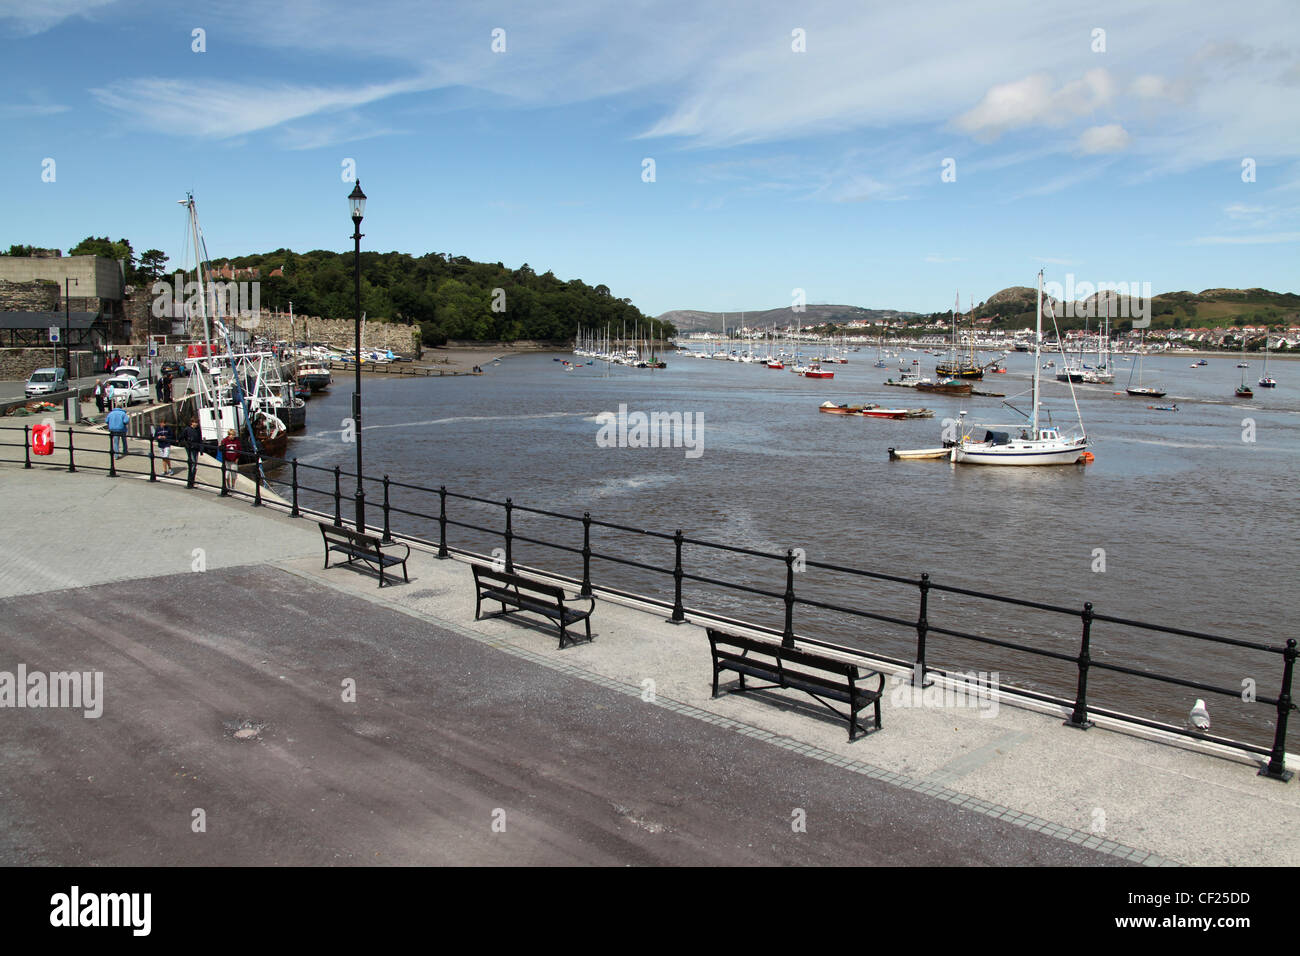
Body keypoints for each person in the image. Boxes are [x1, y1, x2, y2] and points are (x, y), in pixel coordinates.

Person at [181, 416, 203, 488]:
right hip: (190, 448)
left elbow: (200, 439)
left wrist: (201, 449)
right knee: (192, 463)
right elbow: (182, 437)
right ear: (192, 422)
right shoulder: (187, 429)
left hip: (195, 448)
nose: (196, 424)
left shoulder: (198, 430)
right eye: (195, 422)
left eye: (197, 423)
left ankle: (192, 481)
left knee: (194, 464)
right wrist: (186, 444)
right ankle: (190, 481)